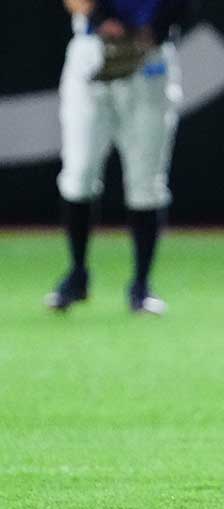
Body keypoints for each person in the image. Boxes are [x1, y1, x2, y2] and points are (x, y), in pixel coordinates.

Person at [45, 0, 196, 315]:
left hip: (151, 58)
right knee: (79, 173)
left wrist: (155, 29)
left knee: (147, 181)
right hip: (93, 49)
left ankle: (141, 285)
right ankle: (76, 274)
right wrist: (103, 18)